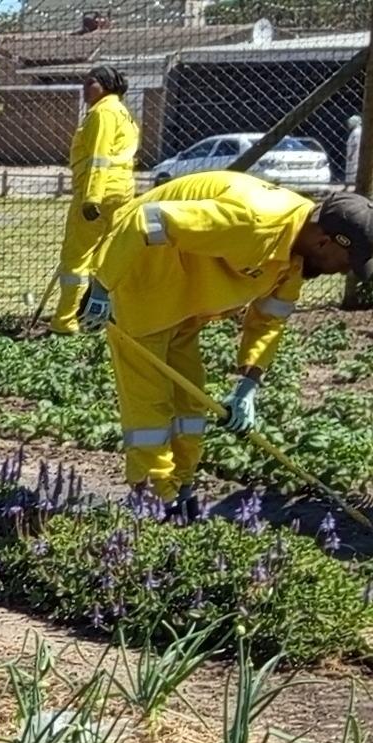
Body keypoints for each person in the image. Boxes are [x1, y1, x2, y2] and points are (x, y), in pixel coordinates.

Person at [79, 174, 373, 506]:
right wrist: (101, 286)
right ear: (324, 242)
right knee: (150, 407)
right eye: (347, 262)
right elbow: (145, 219)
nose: (345, 271)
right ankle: (155, 497)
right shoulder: (254, 222)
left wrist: (249, 384)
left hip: (184, 299)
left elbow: (269, 318)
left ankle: (182, 488)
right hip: (143, 279)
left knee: (190, 406)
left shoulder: (297, 249)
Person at [49, 68, 137, 334]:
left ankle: (65, 321)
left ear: (107, 85)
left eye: (92, 82)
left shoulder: (102, 113)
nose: (85, 87)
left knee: (76, 258)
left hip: (99, 192)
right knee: (109, 256)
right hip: (121, 192)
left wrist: (91, 199)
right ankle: (105, 317)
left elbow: (99, 158)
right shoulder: (124, 113)